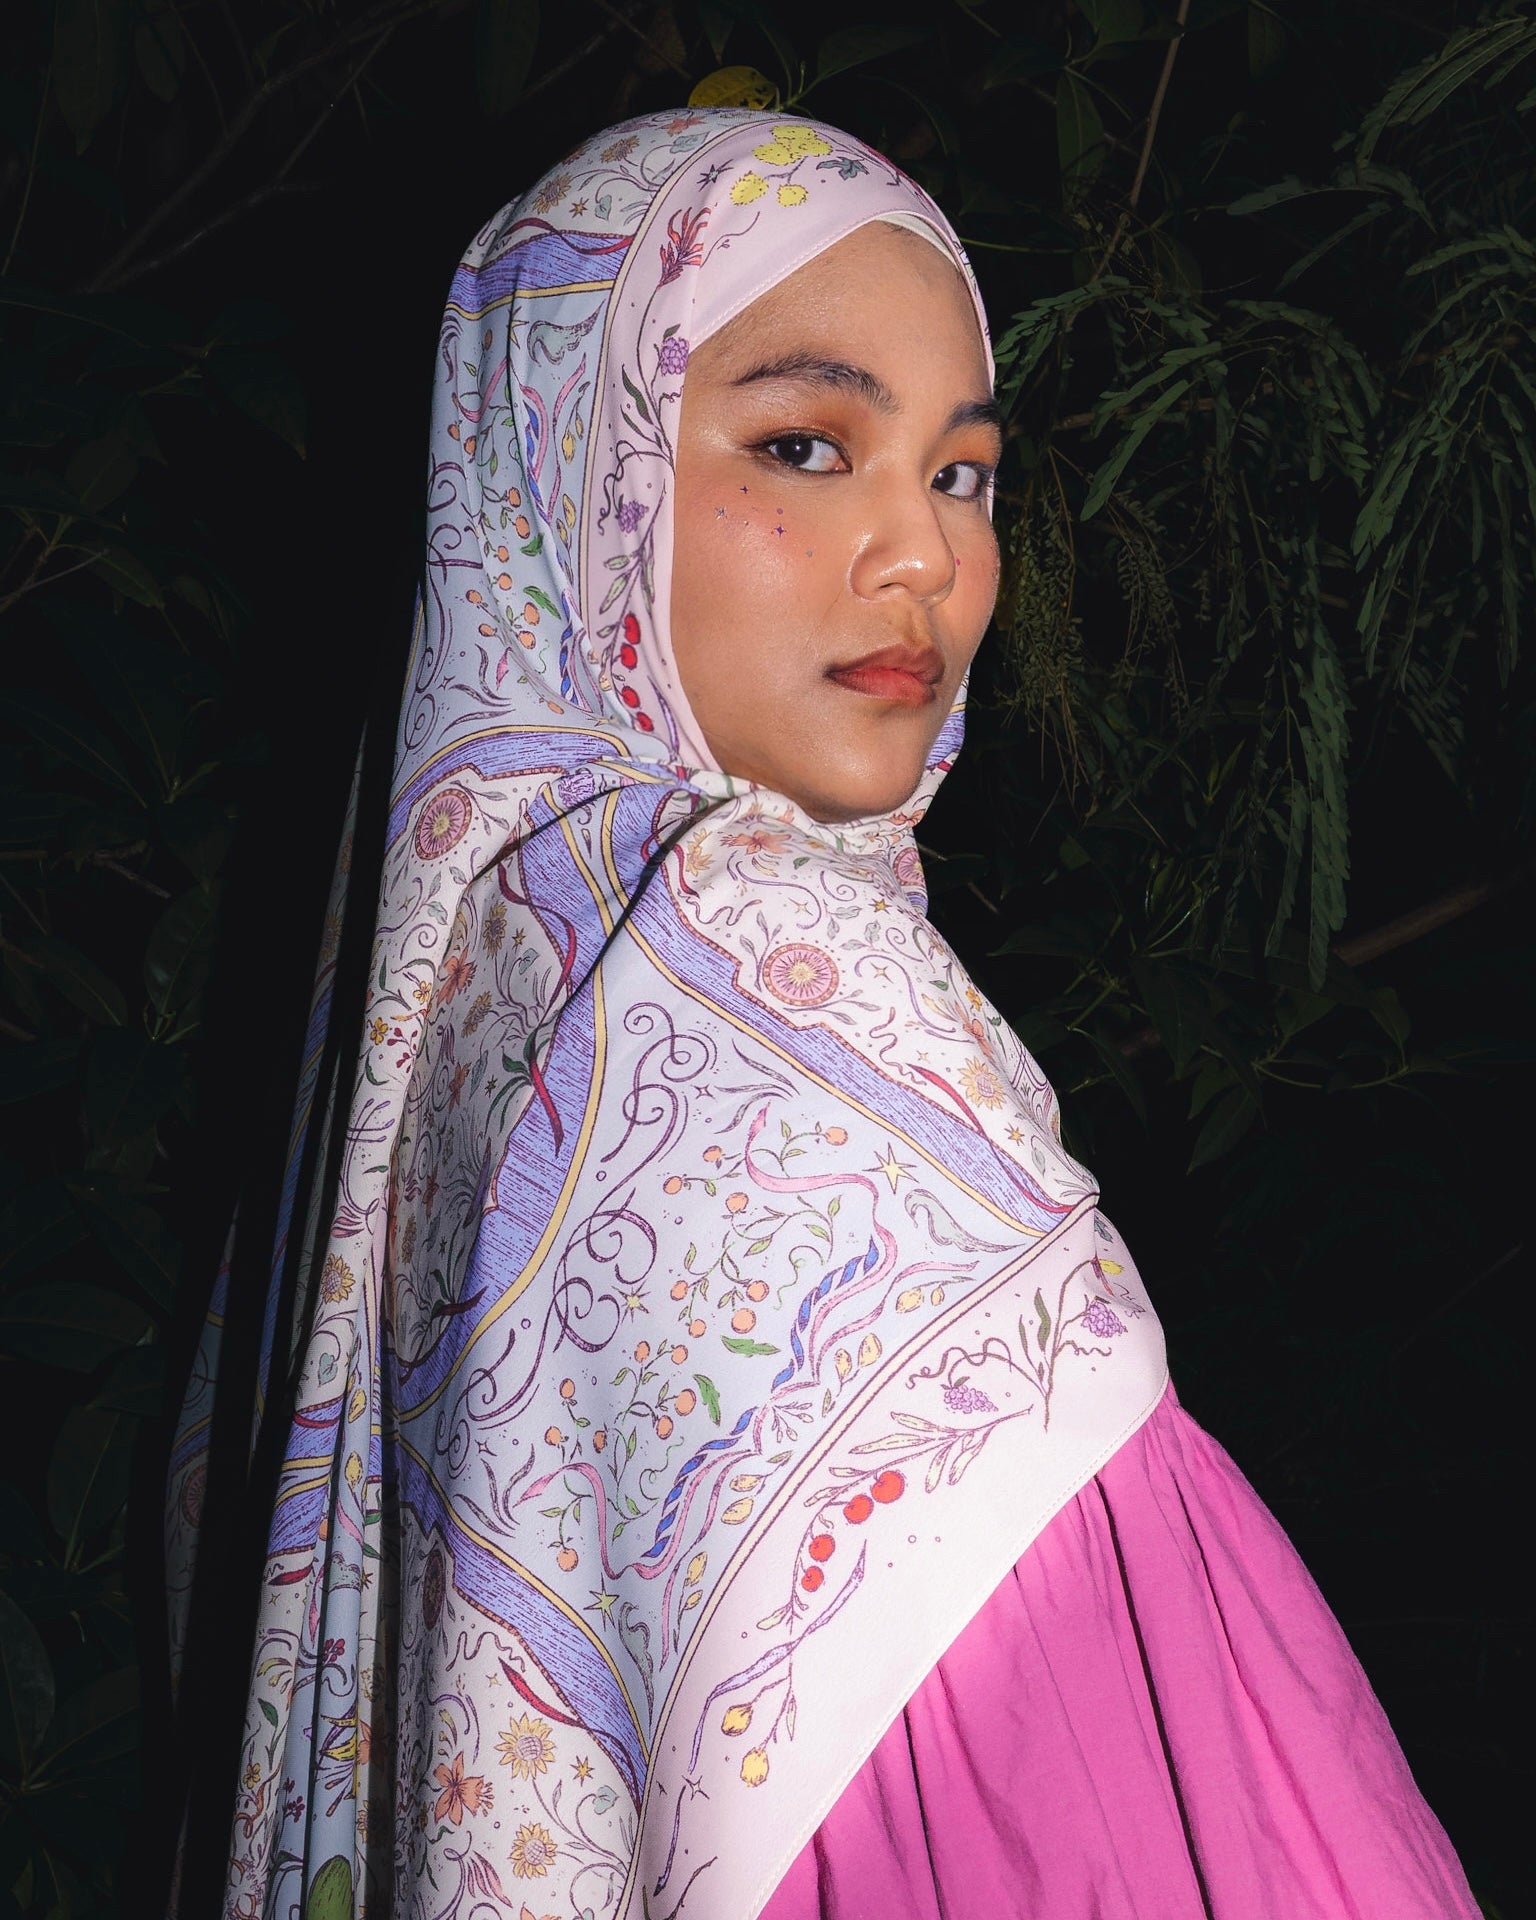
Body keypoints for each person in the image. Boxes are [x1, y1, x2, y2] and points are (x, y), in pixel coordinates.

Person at [167, 108, 1479, 1920]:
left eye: (964, 473)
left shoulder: (459, 975)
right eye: (806, 446)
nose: (924, 556)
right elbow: (1140, 1802)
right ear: (573, 475)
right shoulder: (753, 958)